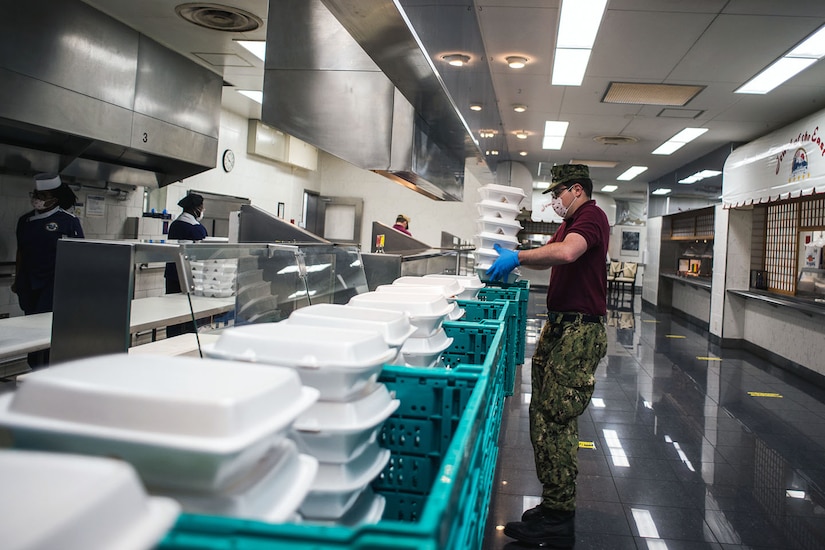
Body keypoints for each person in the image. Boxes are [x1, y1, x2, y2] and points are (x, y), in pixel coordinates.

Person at [486, 164, 609, 548]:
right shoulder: (569, 222)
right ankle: (554, 502)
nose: (555, 201)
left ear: (576, 189)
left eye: (559, 193)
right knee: (542, 413)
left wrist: (518, 257)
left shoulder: (591, 217)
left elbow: (568, 253)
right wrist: (516, 260)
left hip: (578, 331)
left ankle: (559, 517)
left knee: (555, 419)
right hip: (560, 327)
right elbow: (551, 256)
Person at [13, 173, 84, 367]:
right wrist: (17, 280)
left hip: (54, 284)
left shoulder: (68, 221)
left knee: (47, 328)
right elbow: (21, 251)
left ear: (54, 198)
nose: (37, 199)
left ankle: (49, 369)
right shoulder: (25, 221)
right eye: (36, 194)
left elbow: (78, 257)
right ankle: (34, 367)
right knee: (31, 329)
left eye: (42, 196)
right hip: (28, 283)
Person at [163, 192, 208, 337]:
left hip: (172, 274)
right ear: (196, 208)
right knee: (189, 312)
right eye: (202, 207)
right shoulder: (196, 228)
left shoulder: (175, 225)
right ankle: (186, 339)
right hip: (189, 276)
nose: (202, 210)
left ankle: (171, 338)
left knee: (172, 312)